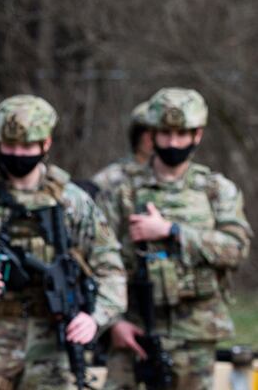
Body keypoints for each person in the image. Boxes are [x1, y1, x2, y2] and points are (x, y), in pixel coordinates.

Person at [0, 94, 126, 389]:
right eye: (10, 146)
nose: (18, 153)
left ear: (46, 145)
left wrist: (95, 318)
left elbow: (111, 269)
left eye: (27, 146)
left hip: (54, 348)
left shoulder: (74, 203)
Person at [98, 88, 252, 389]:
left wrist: (172, 232)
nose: (173, 143)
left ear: (197, 135)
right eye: (165, 133)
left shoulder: (216, 190)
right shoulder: (121, 191)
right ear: (152, 135)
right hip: (133, 330)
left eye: (182, 134)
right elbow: (92, 259)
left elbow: (237, 248)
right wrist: (111, 323)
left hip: (195, 333)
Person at [92, 101, 153, 193]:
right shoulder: (112, 177)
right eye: (146, 133)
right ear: (137, 136)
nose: (151, 139)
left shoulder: (176, 178)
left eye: (162, 133)